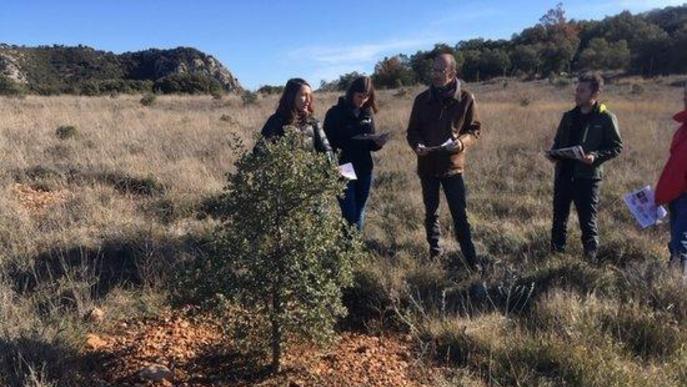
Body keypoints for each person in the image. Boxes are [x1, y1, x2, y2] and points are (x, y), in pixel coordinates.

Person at [406, 53, 481, 270]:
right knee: (431, 212)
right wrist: (417, 145)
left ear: (452, 73)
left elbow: (474, 130)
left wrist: (461, 143)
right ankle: (435, 252)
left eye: (441, 70)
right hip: (428, 166)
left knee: (460, 213)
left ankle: (471, 258)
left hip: (452, 167)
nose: (436, 75)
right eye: (434, 70)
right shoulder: (421, 100)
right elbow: (412, 131)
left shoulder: (466, 98)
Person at [547, 72, 623, 261]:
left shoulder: (605, 118)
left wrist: (595, 156)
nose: (577, 94)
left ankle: (590, 258)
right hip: (564, 174)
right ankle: (556, 255)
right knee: (559, 219)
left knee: (588, 221)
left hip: (588, 177)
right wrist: (554, 154)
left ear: (594, 93)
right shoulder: (568, 117)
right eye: (577, 90)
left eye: (582, 90)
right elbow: (558, 142)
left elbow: (616, 147)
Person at [324, 76, 387, 231]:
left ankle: (353, 248)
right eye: (360, 96)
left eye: (366, 97)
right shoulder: (335, 113)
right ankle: (347, 248)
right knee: (349, 212)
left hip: (364, 168)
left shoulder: (367, 113)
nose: (363, 100)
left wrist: (377, 143)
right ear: (351, 93)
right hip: (344, 167)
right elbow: (326, 144)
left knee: (359, 210)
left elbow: (370, 144)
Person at [655, 83, 687, 274]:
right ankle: (674, 272)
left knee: (681, 240)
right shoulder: (682, 130)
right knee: (677, 237)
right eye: (685, 98)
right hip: (677, 194)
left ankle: (679, 283)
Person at [260, 78, 333, 158]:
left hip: (310, 169)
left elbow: (327, 150)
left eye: (310, 96)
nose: (308, 100)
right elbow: (260, 150)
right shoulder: (276, 121)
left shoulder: (313, 122)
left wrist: (333, 169)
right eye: (304, 95)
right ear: (291, 97)